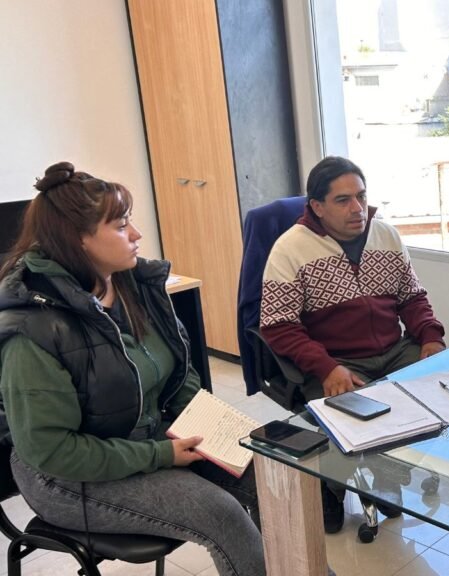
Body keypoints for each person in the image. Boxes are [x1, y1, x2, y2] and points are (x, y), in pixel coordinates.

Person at [0, 162, 266, 576]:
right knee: (222, 515)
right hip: (63, 476)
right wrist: (160, 454)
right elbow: (51, 450)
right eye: (122, 225)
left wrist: (212, 425)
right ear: (78, 238)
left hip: (142, 438)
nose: (137, 234)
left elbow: (178, 370)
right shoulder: (33, 327)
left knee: (269, 473)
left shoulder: (131, 284)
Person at [260, 155, 446, 528]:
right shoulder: (290, 248)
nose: (357, 208)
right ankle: (330, 489)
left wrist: (430, 337)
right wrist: (326, 367)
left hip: (394, 350)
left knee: (434, 395)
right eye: (343, 200)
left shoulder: (386, 235)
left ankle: (389, 476)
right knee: (346, 420)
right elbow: (277, 324)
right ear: (317, 206)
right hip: (335, 360)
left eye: (361, 196)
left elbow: (412, 298)